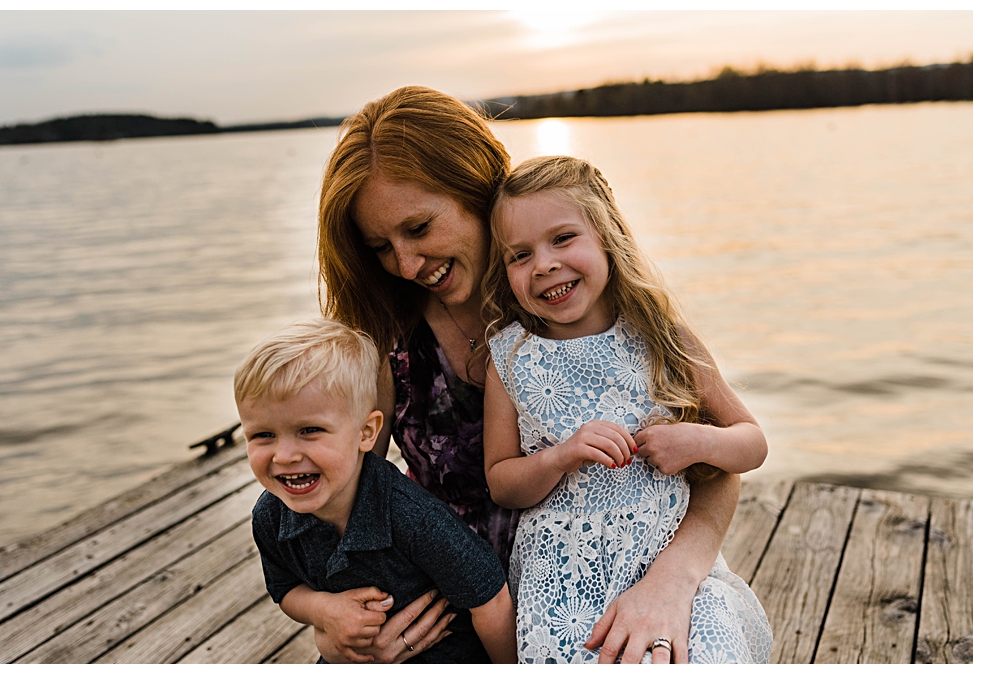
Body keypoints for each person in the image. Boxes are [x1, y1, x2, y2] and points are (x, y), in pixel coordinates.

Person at [317, 85, 748, 664]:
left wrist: (672, 582)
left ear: (476, 191)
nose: (408, 265)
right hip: (452, 610)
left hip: (619, 584)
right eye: (381, 247)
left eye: (419, 228)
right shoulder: (388, 345)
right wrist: (331, 615)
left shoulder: (591, 314)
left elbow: (717, 464)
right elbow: (342, 491)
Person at [481, 155, 772, 663]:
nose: (544, 264)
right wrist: (559, 456)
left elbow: (752, 442)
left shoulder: (663, 335)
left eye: (563, 238)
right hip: (563, 577)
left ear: (607, 235)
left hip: (666, 555)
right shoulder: (510, 358)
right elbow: (501, 480)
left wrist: (698, 441)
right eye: (519, 255)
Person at [235, 317, 517, 664]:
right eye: (263, 435)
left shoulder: (412, 516)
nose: (285, 456)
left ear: (366, 433)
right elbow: (285, 589)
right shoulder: (271, 515)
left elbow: (491, 598)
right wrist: (324, 610)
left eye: (309, 430)